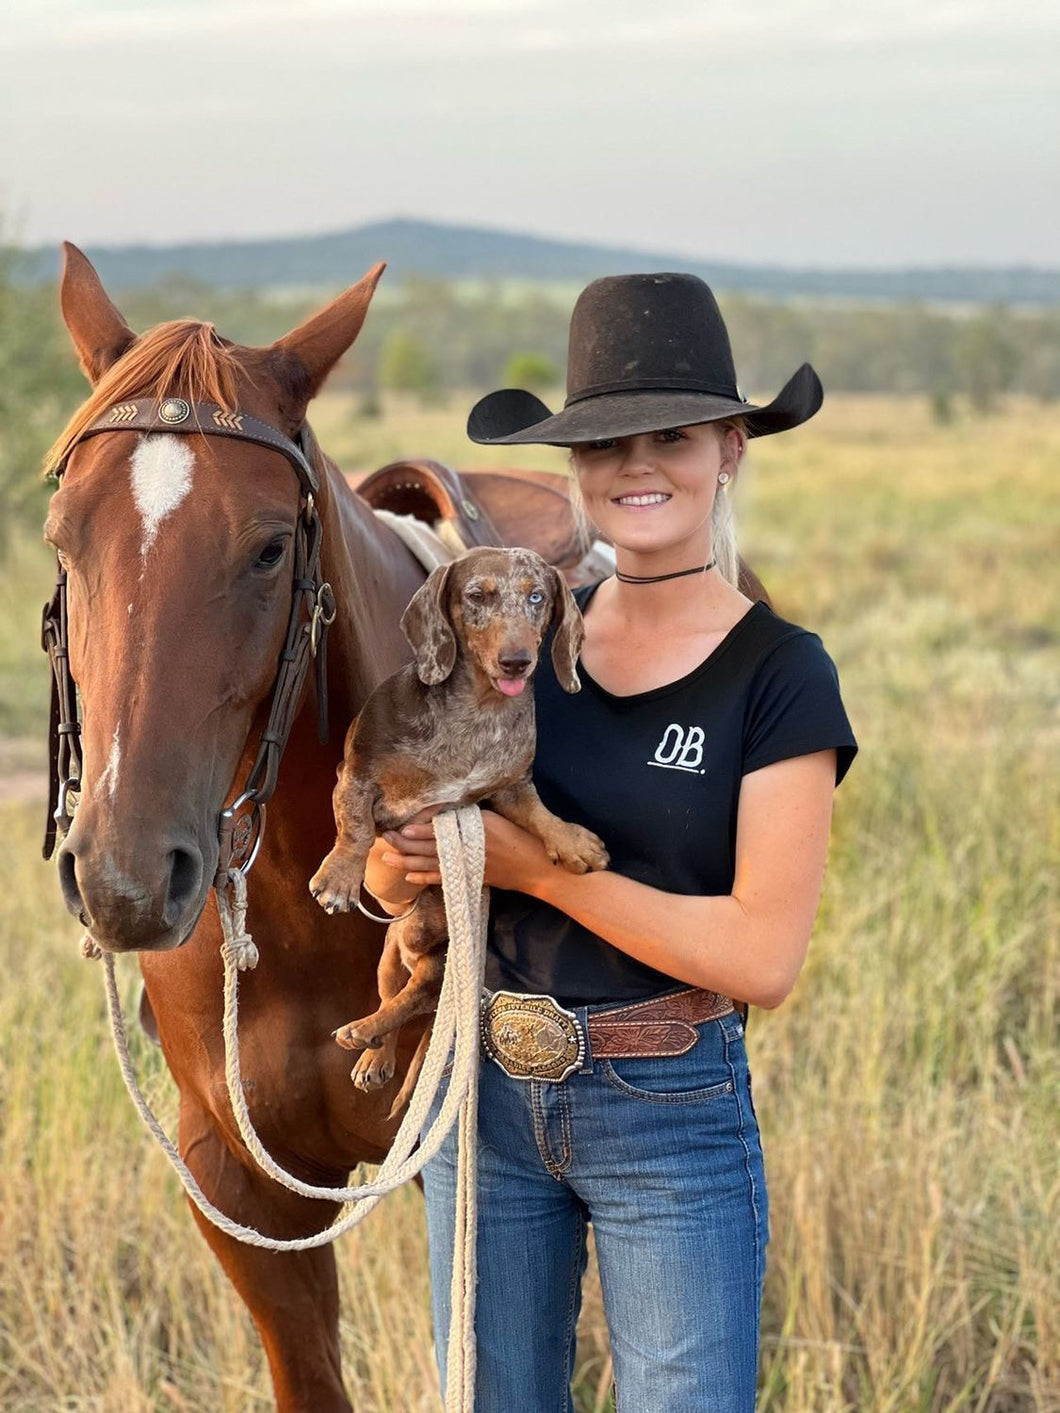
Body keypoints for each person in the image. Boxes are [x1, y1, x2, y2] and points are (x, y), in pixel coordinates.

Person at [362, 273, 858, 1413]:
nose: (636, 468)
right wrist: (401, 869)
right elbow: (415, 840)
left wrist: (535, 870)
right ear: (575, 470)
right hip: (480, 1093)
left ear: (730, 448)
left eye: (671, 438)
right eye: (604, 445)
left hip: (668, 1114)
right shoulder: (514, 636)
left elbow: (758, 960)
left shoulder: (779, 675)